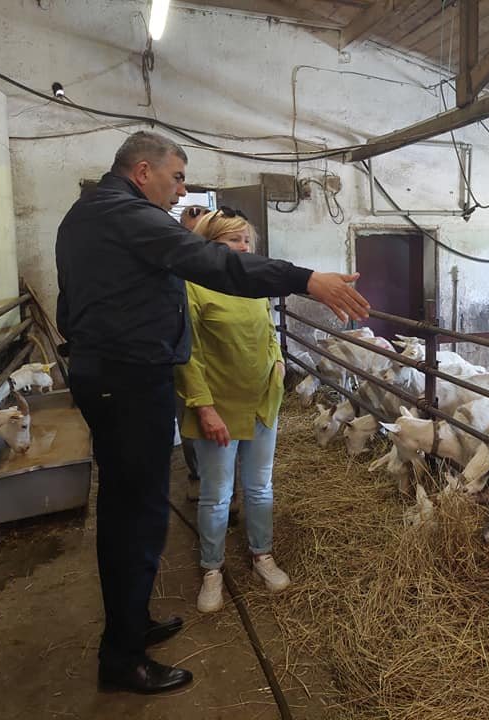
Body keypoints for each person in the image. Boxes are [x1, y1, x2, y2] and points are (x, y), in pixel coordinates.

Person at [55, 130, 368, 695]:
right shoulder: (129, 216)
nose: (181, 191)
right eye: (176, 177)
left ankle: (131, 624)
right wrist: (306, 279)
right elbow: (216, 267)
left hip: (109, 372)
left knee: (131, 507)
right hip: (129, 379)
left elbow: (66, 306)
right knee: (137, 514)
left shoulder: (85, 215)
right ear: (143, 170)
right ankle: (121, 659)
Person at [175, 208, 288, 613]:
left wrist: (277, 361)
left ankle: (262, 555)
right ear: (210, 246)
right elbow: (188, 354)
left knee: (260, 487)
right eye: (231, 241)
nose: (242, 247)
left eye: (245, 240)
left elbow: (269, 329)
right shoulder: (192, 287)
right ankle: (212, 568)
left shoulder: (255, 286)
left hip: (262, 401)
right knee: (217, 494)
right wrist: (204, 407)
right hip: (217, 406)